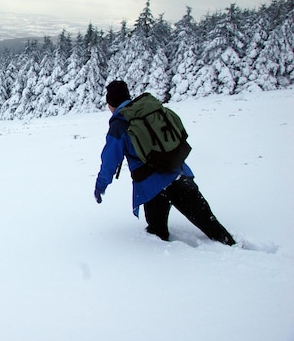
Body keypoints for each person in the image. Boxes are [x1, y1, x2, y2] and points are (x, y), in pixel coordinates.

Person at [94, 80, 236, 245]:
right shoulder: (151, 110)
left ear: (111, 104)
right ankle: (233, 246)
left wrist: (100, 186)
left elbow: (109, 162)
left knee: (157, 235)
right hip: (179, 174)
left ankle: (166, 265)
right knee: (210, 223)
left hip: (152, 187)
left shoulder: (119, 125)